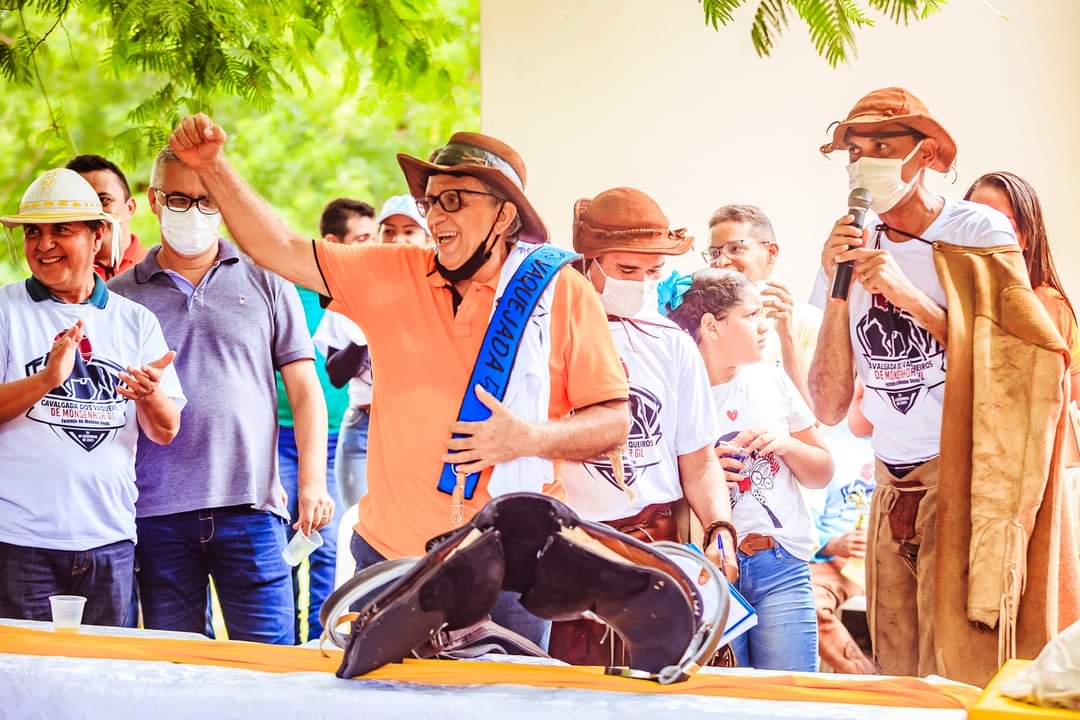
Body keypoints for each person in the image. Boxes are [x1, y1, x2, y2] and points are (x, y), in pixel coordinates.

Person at [162, 114, 631, 648]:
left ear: (504, 215)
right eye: (431, 201)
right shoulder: (394, 270)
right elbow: (281, 249)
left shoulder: (561, 292)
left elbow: (613, 422)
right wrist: (212, 167)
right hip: (389, 559)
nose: (435, 215)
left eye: (455, 199)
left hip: (513, 570)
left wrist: (528, 439)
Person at [809, 87, 1079, 684]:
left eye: (883, 145)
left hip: (965, 479)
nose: (864, 161)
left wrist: (912, 300)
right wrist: (836, 284)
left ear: (927, 153)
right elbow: (827, 403)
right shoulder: (848, 243)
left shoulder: (975, 228)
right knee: (898, 667)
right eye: (854, 150)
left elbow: (1024, 364)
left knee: (961, 665)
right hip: (890, 480)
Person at [108, 147, 335, 645]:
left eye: (207, 200)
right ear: (153, 200)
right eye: (179, 199)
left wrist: (313, 483)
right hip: (157, 514)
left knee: (273, 663)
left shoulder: (266, 279)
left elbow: (304, 389)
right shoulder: (121, 296)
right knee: (179, 670)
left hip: (252, 509)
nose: (193, 212)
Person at [548, 187, 737, 666]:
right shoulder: (546, 335)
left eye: (655, 271)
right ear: (588, 263)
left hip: (657, 545)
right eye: (626, 270)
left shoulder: (673, 344)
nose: (643, 283)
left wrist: (719, 527)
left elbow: (698, 458)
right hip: (571, 548)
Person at [0, 168, 183, 626]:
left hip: (110, 541)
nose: (43, 245)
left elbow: (165, 430)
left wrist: (149, 395)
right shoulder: (6, 310)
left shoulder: (135, 321)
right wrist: (46, 379)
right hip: (20, 541)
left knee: (106, 679)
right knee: (27, 681)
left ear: (99, 235)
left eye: (61, 230)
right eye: (33, 233)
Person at [668, 269, 833, 671]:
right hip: (710, 572)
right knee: (723, 702)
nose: (764, 327)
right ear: (711, 326)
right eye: (752, 315)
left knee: (791, 699)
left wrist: (787, 445)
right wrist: (698, 471)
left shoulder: (770, 380)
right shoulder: (674, 391)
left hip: (782, 566)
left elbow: (822, 471)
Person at [313, 195, 429, 509]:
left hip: (420, 430)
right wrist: (368, 332)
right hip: (363, 427)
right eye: (389, 231)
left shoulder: (439, 297)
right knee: (359, 529)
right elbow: (336, 374)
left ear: (428, 238)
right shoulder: (353, 292)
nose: (397, 239)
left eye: (409, 231)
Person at [964, 172, 1080, 463]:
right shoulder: (947, 304)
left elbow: (1072, 398)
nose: (982, 233)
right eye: (973, 220)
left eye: (1001, 224)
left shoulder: (1049, 306)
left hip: (1034, 472)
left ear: (1025, 237)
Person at [704, 204, 821, 404]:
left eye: (735, 248)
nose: (721, 262)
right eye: (714, 253)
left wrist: (787, 335)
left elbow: (817, 415)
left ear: (771, 252)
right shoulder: (705, 324)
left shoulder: (811, 322)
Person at [66, 155, 147, 280]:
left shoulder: (161, 270)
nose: (93, 213)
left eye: (104, 200)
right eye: (80, 204)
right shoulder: (59, 281)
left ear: (130, 208)